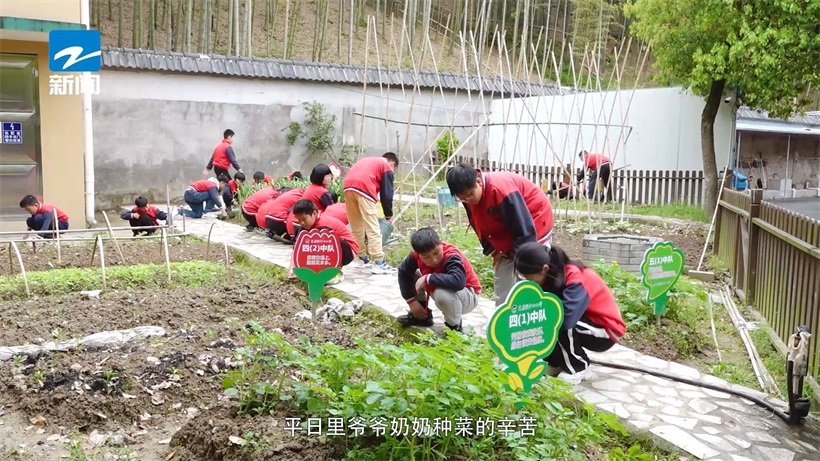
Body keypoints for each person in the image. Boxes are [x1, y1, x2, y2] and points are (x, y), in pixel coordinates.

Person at [514, 242, 626, 384]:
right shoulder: (551, 276)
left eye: (530, 278)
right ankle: (556, 363)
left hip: (606, 331)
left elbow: (567, 319)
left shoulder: (575, 277)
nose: (529, 283)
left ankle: (578, 366)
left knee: (557, 319)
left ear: (544, 269)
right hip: (585, 321)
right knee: (547, 317)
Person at [445, 164, 553, 307]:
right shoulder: (467, 197)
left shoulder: (501, 189)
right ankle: (502, 315)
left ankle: (533, 313)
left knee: (527, 274)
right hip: (507, 226)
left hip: (534, 221)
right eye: (462, 199)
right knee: (502, 273)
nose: (468, 200)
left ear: (478, 181)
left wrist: (521, 262)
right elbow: (478, 224)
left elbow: (525, 230)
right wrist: (494, 250)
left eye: (471, 194)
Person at [396, 228, 482, 333]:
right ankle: (422, 316)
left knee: (442, 293)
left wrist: (428, 278)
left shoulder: (451, 255)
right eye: (426, 257)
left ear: (441, 243)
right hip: (446, 289)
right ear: (418, 254)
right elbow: (403, 271)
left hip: (468, 295)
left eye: (436, 252)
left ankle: (454, 328)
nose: (434, 259)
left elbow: (458, 282)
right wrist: (412, 302)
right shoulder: (414, 256)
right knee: (413, 274)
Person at [343, 152, 399, 274]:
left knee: (356, 226)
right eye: (394, 169)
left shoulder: (369, 160)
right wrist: (388, 215)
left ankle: (361, 258)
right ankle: (379, 262)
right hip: (364, 188)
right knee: (372, 227)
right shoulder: (386, 166)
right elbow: (387, 195)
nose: (392, 172)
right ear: (392, 164)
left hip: (348, 187)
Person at [287, 200, 359, 285]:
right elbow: (297, 248)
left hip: (347, 251)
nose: (302, 222)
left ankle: (334, 270)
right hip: (329, 251)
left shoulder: (323, 225)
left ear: (314, 214)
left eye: (304, 219)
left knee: (321, 236)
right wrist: (292, 269)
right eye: (299, 220)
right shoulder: (304, 226)